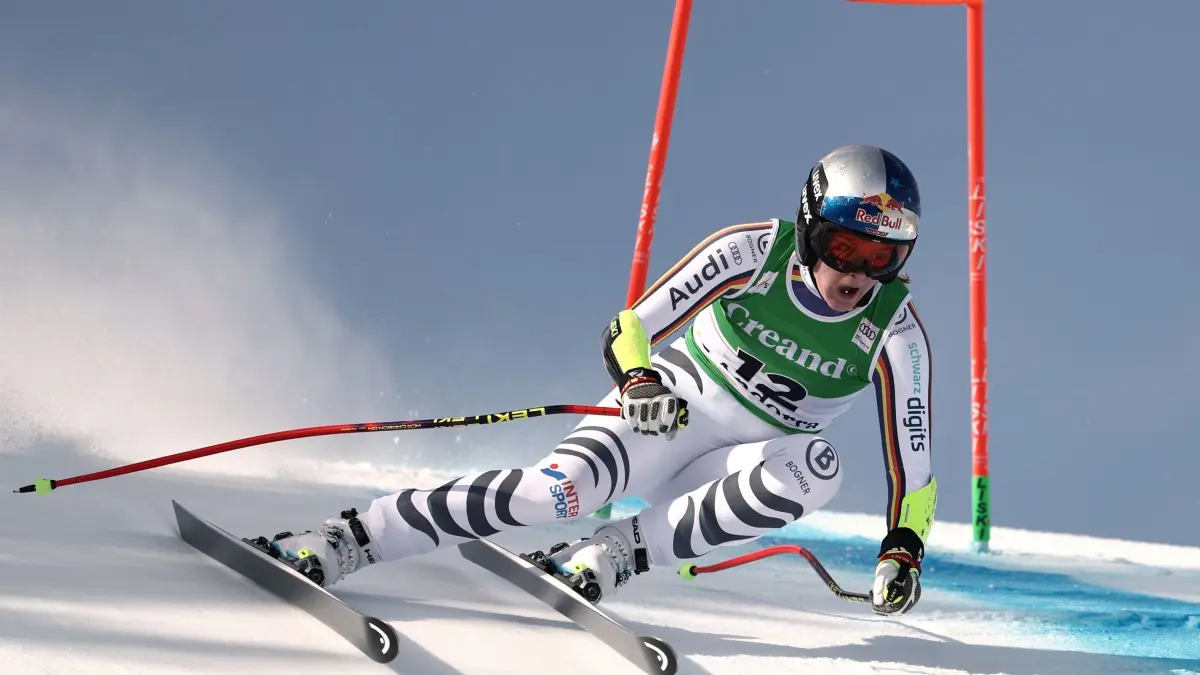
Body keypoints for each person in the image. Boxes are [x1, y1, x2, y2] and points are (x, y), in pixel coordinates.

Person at [247, 143, 936, 617]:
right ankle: (352, 537)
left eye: (882, 256)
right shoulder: (752, 251)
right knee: (558, 492)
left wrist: (903, 548)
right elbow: (631, 325)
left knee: (817, 466)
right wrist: (639, 381)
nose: (857, 275)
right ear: (812, 229)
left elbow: (915, 467)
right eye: (845, 247)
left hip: (732, 466)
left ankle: (618, 552)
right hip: (668, 415)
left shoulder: (895, 330)